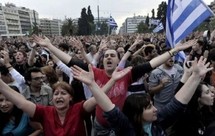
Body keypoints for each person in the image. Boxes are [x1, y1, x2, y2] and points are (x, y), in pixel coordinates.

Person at [32, 35, 196, 134]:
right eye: (106, 56)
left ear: (119, 61)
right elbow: (70, 61)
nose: (109, 57)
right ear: (102, 60)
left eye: (112, 55)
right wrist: (49, 46)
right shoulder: (94, 73)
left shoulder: (127, 74)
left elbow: (151, 64)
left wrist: (174, 51)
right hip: (100, 125)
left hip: (121, 126)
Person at [72, 56, 213, 136]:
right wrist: (92, 84)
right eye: (149, 107)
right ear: (137, 113)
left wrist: (195, 77)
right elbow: (109, 108)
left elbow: (177, 103)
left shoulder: (158, 122)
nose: (156, 109)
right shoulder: (126, 129)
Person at [0, 65, 132, 136]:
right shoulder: (44, 112)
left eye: (63, 93)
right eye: (56, 94)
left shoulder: (78, 109)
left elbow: (98, 97)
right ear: (52, 99)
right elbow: (21, 102)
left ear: (71, 98)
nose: (59, 96)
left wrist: (112, 81)